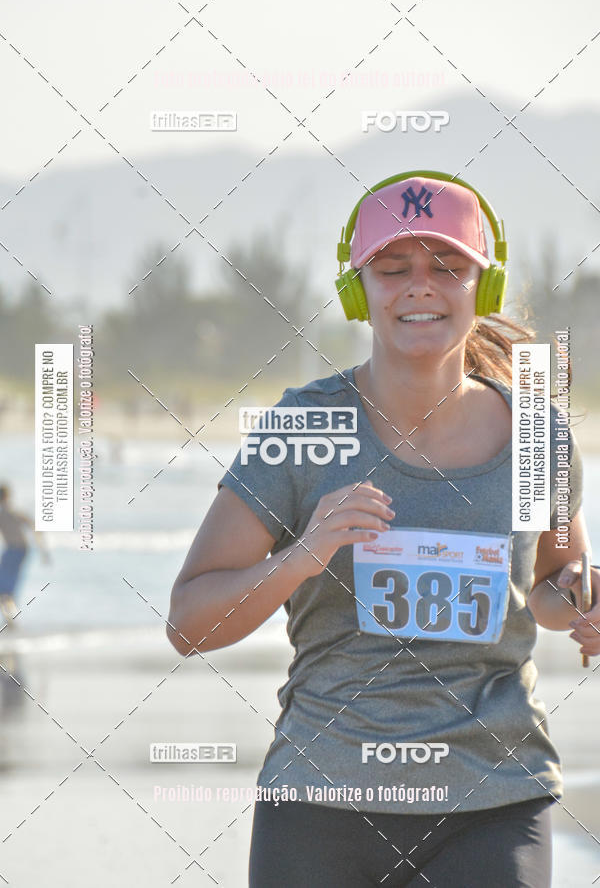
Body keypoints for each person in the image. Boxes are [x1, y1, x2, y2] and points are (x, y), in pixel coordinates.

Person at [167, 172, 598, 887]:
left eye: (448, 267)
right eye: (393, 269)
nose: (419, 286)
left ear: (482, 289)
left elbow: (552, 589)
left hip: (494, 798)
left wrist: (585, 597)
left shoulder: (537, 438)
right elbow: (190, 624)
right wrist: (302, 557)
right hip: (321, 802)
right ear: (357, 291)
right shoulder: (307, 429)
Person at [0, 483, 51, 625]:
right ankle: (10, 617)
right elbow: (35, 527)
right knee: (8, 585)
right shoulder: (14, 512)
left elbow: (34, 526)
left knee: (5, 586)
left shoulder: (7, 513)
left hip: (14, 551)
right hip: (20, 550)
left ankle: (10, 618)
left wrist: (43, 551)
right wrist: (43, 551)